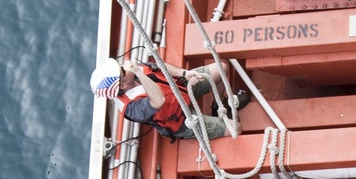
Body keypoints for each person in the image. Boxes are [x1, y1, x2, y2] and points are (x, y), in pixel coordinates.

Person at [90, 58, 245, 141]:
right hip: (181, 120)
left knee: (221, 68)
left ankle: (219, 105)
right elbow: (158, 100)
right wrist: (137, 71)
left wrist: (183, 73)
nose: (125, 65)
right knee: (235, 128)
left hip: (181, 88)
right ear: (123, 84)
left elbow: (158, 67)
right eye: (123, 69)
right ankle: (206, 127)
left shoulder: (130, 74)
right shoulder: (132, 108)